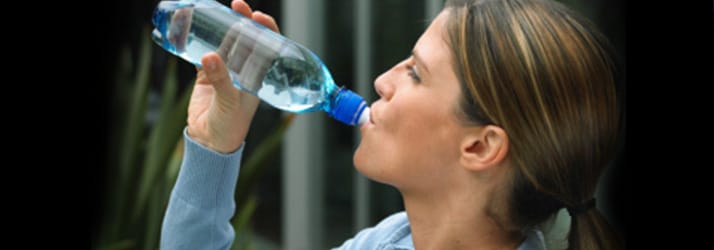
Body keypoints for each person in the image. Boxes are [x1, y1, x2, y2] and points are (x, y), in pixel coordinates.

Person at [160, 0, 624, 249]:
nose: (381, 81)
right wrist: (213, 145)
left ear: (481, 147)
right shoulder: (388, 241)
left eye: (416, 73)